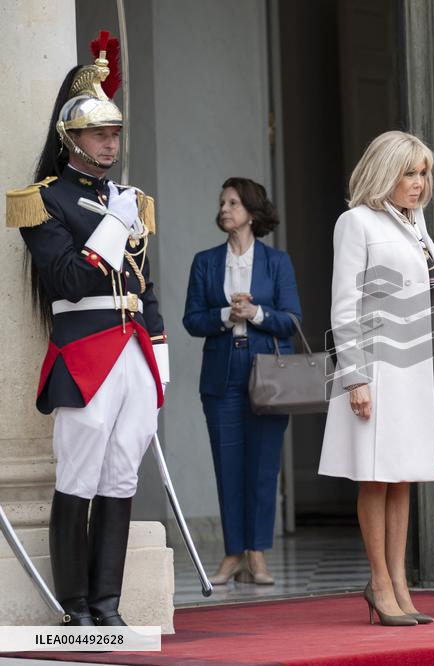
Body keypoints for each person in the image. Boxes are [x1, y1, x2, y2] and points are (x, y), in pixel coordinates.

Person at [5, 36, 167, 626]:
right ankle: (75, 608)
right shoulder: (42, 202)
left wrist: (160, 352)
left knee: (122, 474)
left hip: (134, 353)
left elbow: (146, 287)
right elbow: (69, 280)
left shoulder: (130, 200)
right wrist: (112, 227)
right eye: (100, 134)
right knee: (79, 474)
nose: (111, 143)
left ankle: (108, 607)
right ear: (71, 139)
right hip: (84, 353)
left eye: (115, 134)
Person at [319, 131, 434, 627]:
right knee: (376, 475)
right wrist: (354, 376)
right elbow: (343, 305)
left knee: (403, 477)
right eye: (408, 173)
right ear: (384, 173)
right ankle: (379, 583)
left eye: (423, 174)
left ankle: (399, 582)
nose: (418, 184)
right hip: (376, 366)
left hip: (417, 366)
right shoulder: (355, 222)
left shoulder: (417, 224)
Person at [182, 177, 302, 586]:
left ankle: (257, 553)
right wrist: (224, 316)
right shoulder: (205, 261)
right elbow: (192, 320)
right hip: (222, 372)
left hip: (267, 370)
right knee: (227, 465)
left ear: (251, 212)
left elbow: (292, 320)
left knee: (264, 465)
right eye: (222, 203)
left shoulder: (276, 262)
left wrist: (254, 314)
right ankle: (233, 553)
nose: (225, 209)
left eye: (233, 202)